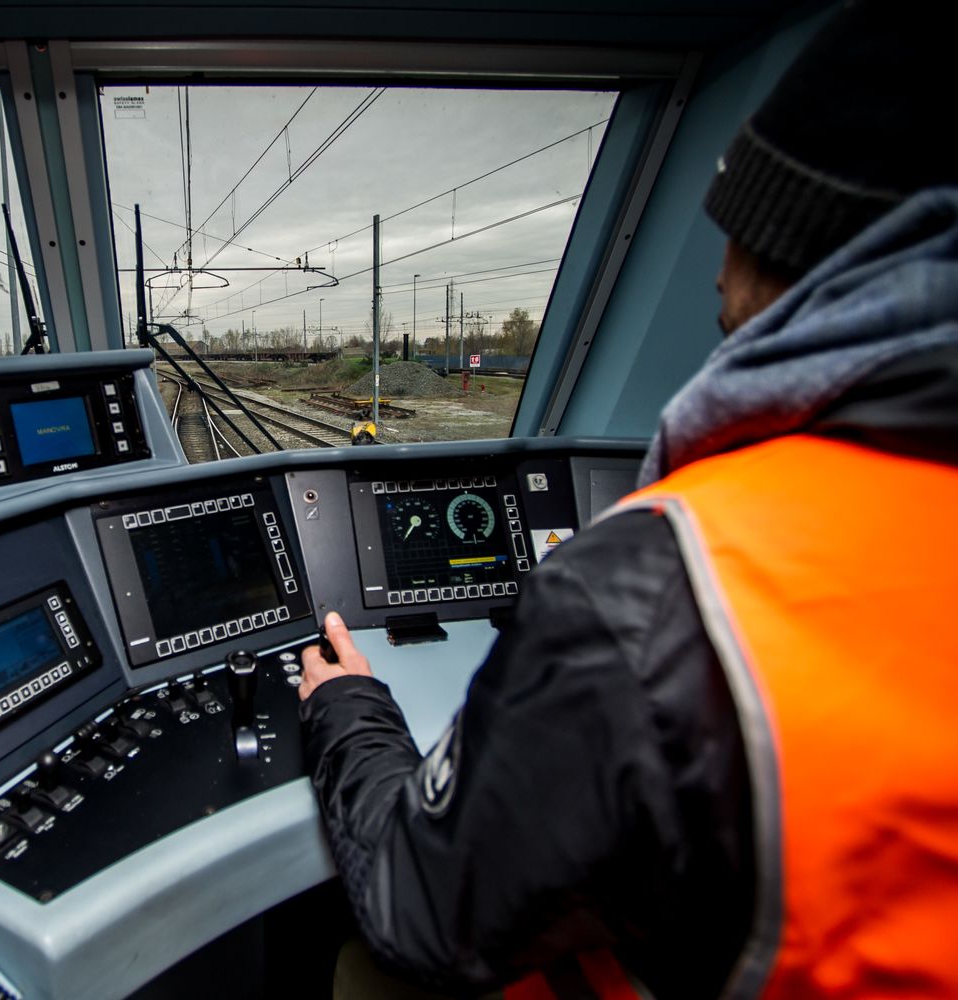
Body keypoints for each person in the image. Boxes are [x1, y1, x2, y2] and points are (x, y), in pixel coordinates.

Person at [298, 3, 958, 997]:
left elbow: (418, 897)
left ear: (793, 248)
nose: (718, 279)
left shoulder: (652, 591)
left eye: (734, 235)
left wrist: (346, 706)